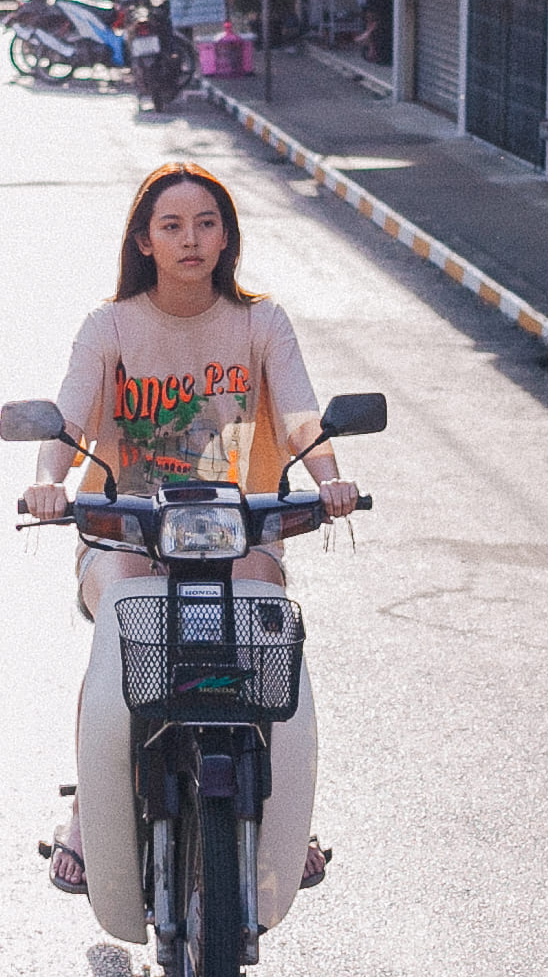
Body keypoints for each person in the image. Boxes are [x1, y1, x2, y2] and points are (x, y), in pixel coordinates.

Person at [20, 162, 358, 928]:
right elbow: (67, 426)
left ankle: (280, 820)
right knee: (118, 630)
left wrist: (330, 476)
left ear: (227, 234)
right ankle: (87, 816)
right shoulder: (110, 326)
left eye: (206, 222)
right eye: (170, 226)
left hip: (236, 526)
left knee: (266, 621)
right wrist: (48, 480)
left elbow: (302, 414)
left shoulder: (260, 322)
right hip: (129, 527)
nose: (190, 239)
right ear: (143, 240)